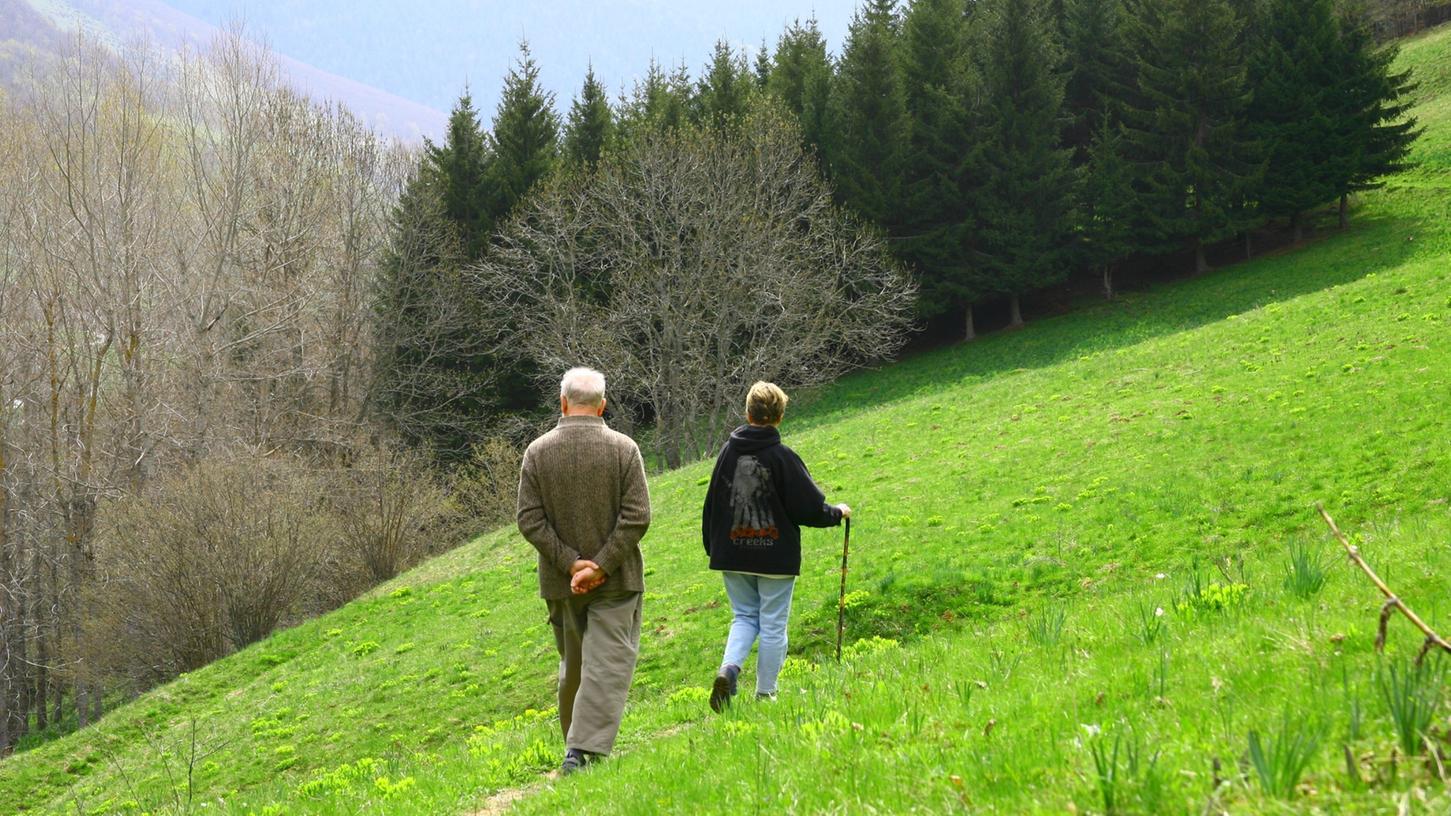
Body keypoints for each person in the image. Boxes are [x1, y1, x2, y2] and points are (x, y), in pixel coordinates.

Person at [517, 367, 651, 775]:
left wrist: (571, 564)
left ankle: (576, 749)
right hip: (618, 579)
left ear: (562, 403)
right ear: (603, 405)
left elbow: (529, 519)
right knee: (607, 664)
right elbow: (637, 517)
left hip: (561, 583)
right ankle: (581, 752)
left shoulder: (537, 452)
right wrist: (601, 565)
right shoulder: (624, 448)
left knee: (574, 666)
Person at [701, 381, 850, 712]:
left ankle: (729, 669)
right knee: (772, 624)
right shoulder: (782, 457)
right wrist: (836, 514)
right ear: (780, 416)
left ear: (747, 412)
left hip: (732, 552)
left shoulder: (727, 453)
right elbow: (807, 507)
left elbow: (712, 502)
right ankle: (766, 694)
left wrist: (714, 548)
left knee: (743, 616)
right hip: (775, 556)